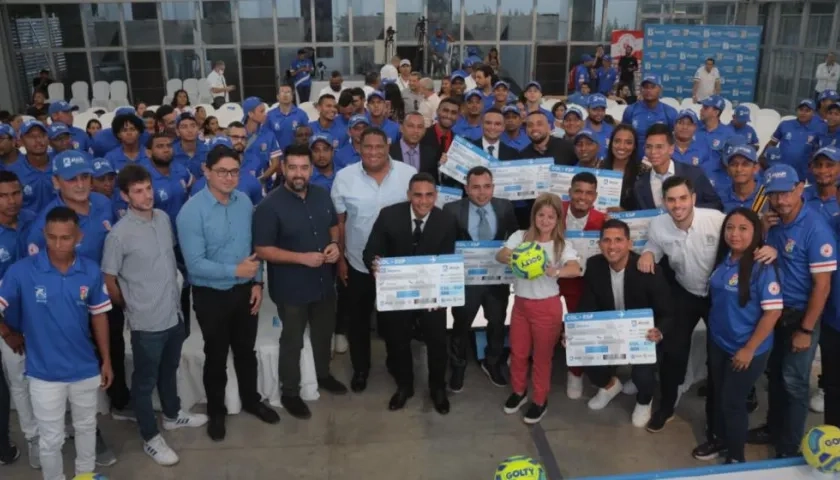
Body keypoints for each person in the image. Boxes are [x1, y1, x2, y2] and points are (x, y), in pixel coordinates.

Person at [102, 164, 207, 466]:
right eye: (138, 191)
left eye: (148, 188)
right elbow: (109, 279)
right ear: (125, 196)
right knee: (145, 382)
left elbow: (168, 259)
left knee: (169, 368)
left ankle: (172, 415)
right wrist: (132, 306)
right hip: (146, 321)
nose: (147, 195)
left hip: (173, 312)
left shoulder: (162, 218)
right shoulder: (118, 236)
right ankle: (150, 437)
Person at [0, 206, 113, 480]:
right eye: (52, 237)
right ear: (44, 235)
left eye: (66, 237)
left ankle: (85, 475)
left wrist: (106, 360)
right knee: (51, 439)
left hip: (84, 368)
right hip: (44, 373)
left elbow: (99, 316)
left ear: (79, 237)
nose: (58, 244)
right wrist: (7, 333)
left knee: (86, 427)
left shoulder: (90, 270)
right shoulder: (22, 271)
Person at [176, 145, 280, 441]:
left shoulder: (244, 202)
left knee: (246, 351)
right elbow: (195, 265)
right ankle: (217, 411)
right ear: (206, 172)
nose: (229, 177)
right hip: (211, 296)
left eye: (234, 171)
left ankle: (251, 400)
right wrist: (236, 271)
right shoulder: (191, 212)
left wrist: (257, 282)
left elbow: (253, 249)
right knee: (216, 355)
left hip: (245, 290)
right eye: (222, 171)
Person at [747, 164, 836, 458]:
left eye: (786, 193)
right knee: (775, 376)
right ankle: (773, 428)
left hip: (801, 316)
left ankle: (789, 446)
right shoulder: (773, 220)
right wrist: (763, 228)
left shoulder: (815, 228)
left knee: (795, 382)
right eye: (774, 194)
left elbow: (822, 286)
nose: (781, 200)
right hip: (775, 313)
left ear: (800, 188)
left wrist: (806, 330)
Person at [253, 144, 348, 420]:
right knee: (292, 340)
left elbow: (333, 225)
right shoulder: (269, 206)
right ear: (283, 168)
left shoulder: (321, 195)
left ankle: (322, 374)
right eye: (292, 167)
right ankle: (290, 392)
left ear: (311, 169)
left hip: (323, 281)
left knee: (323, 333)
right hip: (291, 287)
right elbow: (262, 249)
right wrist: (301, 258)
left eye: (304, 167)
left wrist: (334, 244)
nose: (298, 173)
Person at [364, 172, 459, 415]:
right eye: (417, 195)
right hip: (398, 293)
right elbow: (370, 251)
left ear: (436, 196)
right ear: (408, 195)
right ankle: (404, 386)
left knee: (437, 341)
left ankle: (438, 388)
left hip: (432, 294)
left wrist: (442, 295)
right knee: (397, 341)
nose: (423, 201)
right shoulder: (389, 216)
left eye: (429, 195)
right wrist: (374, 264)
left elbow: (448, 260)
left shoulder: (446, 220)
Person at [331, 128, 417, 392]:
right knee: (358, 321)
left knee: (395, 322)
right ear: (358, 147)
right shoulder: (344, 178)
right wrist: (341, 261)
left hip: (397, 266)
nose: (373, 152)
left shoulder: (408, 174)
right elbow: (340, 222)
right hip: (357, 263)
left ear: (388, 146)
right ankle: (361, 369)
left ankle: (395, 363)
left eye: (379, 146)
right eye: (367, 147)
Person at [701, 207, 783, 464]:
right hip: (719, 342)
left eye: (743, 228)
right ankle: (719, 439)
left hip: (747, 348)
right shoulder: (724, 258)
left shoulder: (762, 266)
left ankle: (736, 457)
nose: (734, 234)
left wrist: (748, 349)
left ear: (755, 232)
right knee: (718, 395)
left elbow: (773, 313)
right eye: (730, 227)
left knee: (733, 403)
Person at [574, 219, 671, 426]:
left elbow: (668, 312)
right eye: (606, 240)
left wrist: (659, 331)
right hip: (610, 331)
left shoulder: (648, 270)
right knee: (583, 353)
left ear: (629, 243)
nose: (612, 246)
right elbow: (586, 305)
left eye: (618, 240)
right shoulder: (594, 265)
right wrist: (574, 332)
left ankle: (644, 400)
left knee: (643, 375)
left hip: (643, 336)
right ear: (599, 244)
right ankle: (610, 386)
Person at [496, 194, 582, 424]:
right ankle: (519, 391)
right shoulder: (521, 237)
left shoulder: (561, 245)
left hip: (547, 307)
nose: (545, 220)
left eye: (551, 217)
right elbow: (500, 254)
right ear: (534, 216)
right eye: (541, 215)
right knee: (518, 352)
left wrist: (556, 271)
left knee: (542, 357)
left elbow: (575, 268)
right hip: (521, 305)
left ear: (558, 220)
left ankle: (540, 400)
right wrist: (516, 256)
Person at [444, 166, 518, 390]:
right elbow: (446, 243)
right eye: (476, 187)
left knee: (497, 323)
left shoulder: (505, 206)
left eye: (487, 187)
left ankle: (492, 362)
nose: (482, 192)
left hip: (497, 278)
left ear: (493, 187)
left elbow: (515, 237)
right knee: (461, 324)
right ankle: (458, 365)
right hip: (467, 281)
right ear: (467, 189)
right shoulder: (452, 209)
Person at [0, 171, 37, 468]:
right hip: (8, 324)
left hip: (41, 316)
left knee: (46, 378)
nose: (11, 201)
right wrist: (6, 331)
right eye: (3, 196)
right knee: (20, 383)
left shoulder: (33, 220)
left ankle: (52, 429)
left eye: (15, 193)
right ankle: (33, 438)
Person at [632, 124, 722, 211]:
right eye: (648, 147)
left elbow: (716, 205)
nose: (653, 152)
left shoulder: (694, 174)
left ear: (671, 149)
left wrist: (688, 211)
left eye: (659, 147)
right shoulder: (640, 185)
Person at [763, 99, 827, 181]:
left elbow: (819, 150)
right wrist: (763, 156)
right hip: (781, 170)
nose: (803, 113)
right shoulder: (785, 124)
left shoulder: (819, 129)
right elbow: (772, 143)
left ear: (813, 113)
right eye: (801, 110)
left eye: (807, 111)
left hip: (803, 173)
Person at [621, 75, 678, 155]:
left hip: (659, 158)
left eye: (652, 87)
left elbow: (676, 139)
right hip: (634, 158)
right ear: (641, 90)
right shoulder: (631, 110)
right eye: (646, 87)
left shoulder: (670, 112)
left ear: (660, 89)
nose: (648, 90)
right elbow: (624, 135)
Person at [8, 121, 54, 213]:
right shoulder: (12, 172)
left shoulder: (61, 164)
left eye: (42, 135)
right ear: (21, 141)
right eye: (31, 137)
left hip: (62, 220)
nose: (38, 140)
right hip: (28, 222)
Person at [602, 124, 644, 212]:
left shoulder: (643, 171)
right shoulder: (599, 167)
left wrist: (624, 213)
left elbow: (645, 208)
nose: (621, 146)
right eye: (617, 141)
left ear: (634, 146)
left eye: (628, 143)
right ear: (611, 143)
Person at [389, 112, 438, 179]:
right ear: (401, 128)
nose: (415, 131)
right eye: (411, 126)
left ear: (424, 131)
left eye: (420, 127)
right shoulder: (389, 152)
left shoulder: (431, 154)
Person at [720, 145, 767, 214]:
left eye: (745, 164)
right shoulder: (719, 198)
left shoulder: (767, 196)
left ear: (755, 168)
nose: (739, 169)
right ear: (728, 169)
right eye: (733, 164)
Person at [267, 84, 310, 152]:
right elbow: (266, 138)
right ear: (277, 97)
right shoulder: (270, 115)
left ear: (292, 96)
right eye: (282, 92)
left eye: (288, 92)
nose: (285, 95)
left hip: (297, 154)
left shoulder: (301, 114)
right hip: (277, 155)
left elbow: (308, 136)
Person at [172, 112, 209, 180]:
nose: (189, 130)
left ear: (198, 129)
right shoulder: (170, 153)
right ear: (177, 132)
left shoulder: (208, 151)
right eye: (184, 127)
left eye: (193, 126)